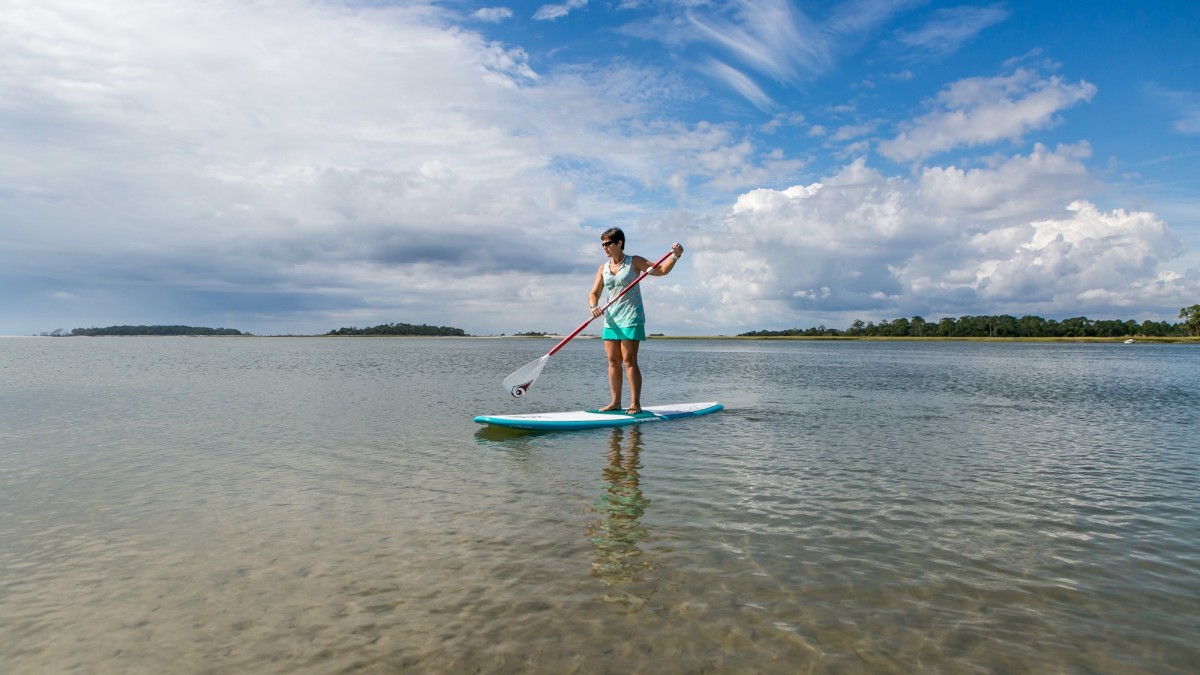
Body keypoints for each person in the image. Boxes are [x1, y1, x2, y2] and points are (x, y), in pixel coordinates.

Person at [588, 228, 684, 414]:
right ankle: (615, 402)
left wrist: (675, 256)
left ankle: (635, 404)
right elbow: (594, 293)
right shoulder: (603, 268)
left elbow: (661, 270)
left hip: (631, 317)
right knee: (612, 361)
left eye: (608, 244)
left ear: (619, 243)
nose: (604, 248)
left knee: (629, 360)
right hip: (612, 320)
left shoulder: (635, 261)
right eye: (603, 245)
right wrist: (594, 307)